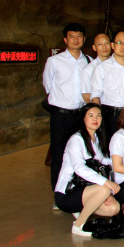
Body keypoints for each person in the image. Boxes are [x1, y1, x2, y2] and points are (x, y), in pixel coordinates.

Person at [54, 103, 120, 236]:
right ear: (83, 119)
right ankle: (78, 225)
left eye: (98, 115)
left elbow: (104, 162)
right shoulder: (76, 140)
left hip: (86, 190)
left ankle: (80, 208)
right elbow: (79, 168)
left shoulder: (96, 138)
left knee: (114, 208)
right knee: (104, 189)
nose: (95, 119)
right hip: (67, 193)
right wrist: (106, 185)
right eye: (91, 115)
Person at [43, 23, 91, 190]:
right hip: (61, 115)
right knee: (59, 153)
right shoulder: (54, 61)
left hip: (81, 115)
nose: (76, 40)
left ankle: (78, 189)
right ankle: (59, 192)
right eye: (71, 36)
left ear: (84, 39)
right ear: (65, 39)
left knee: (80, 152)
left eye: (79, 36)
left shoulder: (88, 61)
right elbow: (48, 86)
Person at [82, 34, 112, 103]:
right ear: (94, 47)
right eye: (100, 44)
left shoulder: (118, 65)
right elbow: (86, 96)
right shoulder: (88, 70)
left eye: (106, 43)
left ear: (111, 45)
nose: (104, 47)